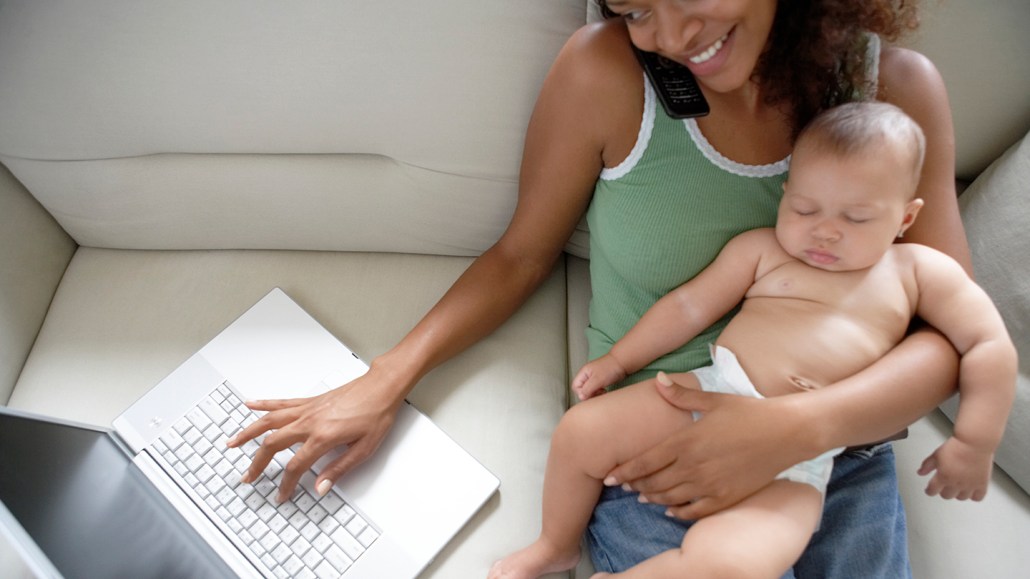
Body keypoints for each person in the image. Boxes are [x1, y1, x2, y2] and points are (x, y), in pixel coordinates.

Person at [228, 1, 972, 575]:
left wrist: (802, 428)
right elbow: (520, 255)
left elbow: (952, 341)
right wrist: (384, 378)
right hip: (656, 443)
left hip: (839, 449)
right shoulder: (604, 72)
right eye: (637, 8)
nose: (672, 35)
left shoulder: (892, 94)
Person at [488, 102, 1017, 579]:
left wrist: (975, 440)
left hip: (805, 454)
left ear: (905, 217)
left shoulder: (919, 270)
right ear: (784, 195)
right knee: (582, 431)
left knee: (734, 565)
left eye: (856, 217)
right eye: (806, 209)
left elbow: (988, 343)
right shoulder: (765, 249)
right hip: (712, 393)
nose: (824, 232)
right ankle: (554, 544)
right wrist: (619, 360)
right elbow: (689, 306)